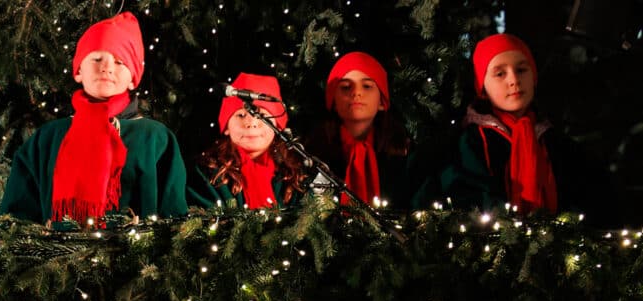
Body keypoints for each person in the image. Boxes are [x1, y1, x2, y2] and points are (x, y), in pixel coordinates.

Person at [0, 13, 187, 223]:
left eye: (119, 61)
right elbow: (15, 219)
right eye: (97, 58)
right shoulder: (47, 138)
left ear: (133, 79)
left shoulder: (156, 138)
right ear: (79, 70)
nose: (106, 67)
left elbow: (176, 219)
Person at [426, 34, 591, 218]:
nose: (513, 80)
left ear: (534, 77)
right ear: (483, 88)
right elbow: (467, 197)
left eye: (521, 70)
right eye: (500, 74)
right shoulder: (472, 142)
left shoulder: (555, 142)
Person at [312, 50, 416, 208]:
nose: (356, 93)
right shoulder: (314, 156)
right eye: (346, 87)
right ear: (333, 101)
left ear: (382, 101)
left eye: (367, 86)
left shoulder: (404, 156)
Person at [190, 74, 305, 210]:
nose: (251, 123)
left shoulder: (292, 175)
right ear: (227, 126)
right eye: (241, 115)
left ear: (278, 126)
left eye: (262, 116)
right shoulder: (209, 175)